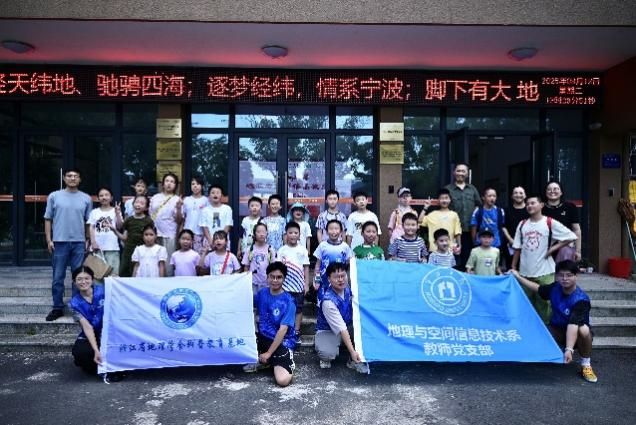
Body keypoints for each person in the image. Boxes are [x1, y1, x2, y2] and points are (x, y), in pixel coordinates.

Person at [512, 260, 597, 383]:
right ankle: (547, 354)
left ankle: (586, 365)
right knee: (535, 329)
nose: (564, 279)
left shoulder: (581, 300)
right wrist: (518, 277)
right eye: (561, 275)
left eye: (569, 275)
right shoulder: (555, 288)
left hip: (576, 336)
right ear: (556, 276)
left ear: (576, 276)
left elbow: (573, 325)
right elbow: (538, 288)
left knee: (584, 330)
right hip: (556, 330)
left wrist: (569, 349)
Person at [512, 194, 577, 323]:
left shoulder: (549, 222)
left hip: (545, 272)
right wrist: (513, 266)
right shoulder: (522, 224)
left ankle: (546, 331)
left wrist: (553, 249)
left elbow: (571, 236)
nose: (529, 206)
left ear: (541, 205)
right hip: (525, 272)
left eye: (533, 203)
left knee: (545, 307)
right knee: (524, 305)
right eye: (527, 204)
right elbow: (517, 247)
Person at [44, 168, 92, 322]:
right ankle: (57, 307)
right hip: (59, 242)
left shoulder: (86, 198)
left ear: (80, 179)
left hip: (79, 242)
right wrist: (49, 239)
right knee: (58, 277)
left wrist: (88, 239)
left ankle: (77, 308)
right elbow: (48, 219)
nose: (72, 178)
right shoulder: (54, 196)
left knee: (78, 277)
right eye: (69, 176)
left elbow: (88, 222)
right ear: (64, 178)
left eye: (75, 176)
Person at [244, 262, 296, 387]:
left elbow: (283, 331)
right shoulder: (262, 293)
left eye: (279, 277)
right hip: (262, 337)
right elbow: (246, 303)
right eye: (272, 277)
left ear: (284, 279)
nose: (275, 280)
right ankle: (267, 361)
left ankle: (273, 359)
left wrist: (269, 353)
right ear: (267, 277)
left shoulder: (289, 302)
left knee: (282, 380)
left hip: (281, 342)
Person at [69, 266, 124, 382]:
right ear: (74, 282)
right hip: (92, 334)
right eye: (79, 279)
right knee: (81, 353)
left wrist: (117, 280)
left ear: (92, 279)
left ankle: (115, 368)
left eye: (86, 278)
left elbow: (121, 294)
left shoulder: (104, 291)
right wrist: (96, 350)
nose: (83, 282)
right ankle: (99, 368)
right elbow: (87, 327)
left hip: (111, 332)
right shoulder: (73, 304)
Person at [315, 262, 369, 373]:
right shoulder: (328, 301)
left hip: (348, 325)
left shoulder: (349, 288)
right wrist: (352, 352)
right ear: (329, 279)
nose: (341, 280)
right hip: (328, 330)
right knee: (327, 354)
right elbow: (342, 328)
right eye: (336, 277)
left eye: (343, 276)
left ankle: (351, 358)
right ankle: (321, 343)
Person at [276, 222, 310, 341]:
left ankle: (296, 331)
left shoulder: (302, 250)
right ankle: (284, 331)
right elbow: (278, 269)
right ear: (286, 234)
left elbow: (306, 267)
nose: (293, 235)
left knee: (298, 309)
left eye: (296, 233)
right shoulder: (282, 250)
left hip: (298, 286)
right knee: (284, 308)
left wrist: (306, 284)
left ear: (299, 235)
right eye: (290, 233)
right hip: (284, 286)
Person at [444, 163, 481, 270]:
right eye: (458, 171)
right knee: (453, 258)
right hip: (452, 230)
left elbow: (479, 205)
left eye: (463, 171)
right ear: (454, 172)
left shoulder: (472, 189)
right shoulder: (448, 189)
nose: (460, 173)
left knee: (468, 258)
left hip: (470, 230)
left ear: (467, 174)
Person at [111, 194, 154, 277]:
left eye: (142, 203)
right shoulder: (129, 220)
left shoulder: (148, 221)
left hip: (142, 252)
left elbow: (151, 239)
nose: (138, 205)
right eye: (136, 202)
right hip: (128, 251)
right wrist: (114, 230)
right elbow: (124, 237)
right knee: (125, 273)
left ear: (146, 208)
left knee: (140, 273)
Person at [149, 173, 181, 276]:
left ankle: (168, 283)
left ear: (175, 185)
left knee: (168, 263)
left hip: (170, 234)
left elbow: (179, 221)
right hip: (154, 234)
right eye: (167, 181)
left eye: (172, 182)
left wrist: (179, 208)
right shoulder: (155, 198)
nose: (169, 184)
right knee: (154, 261)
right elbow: (150, 216)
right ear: (163, 184)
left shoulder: (177, 199)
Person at [313, 220, 353, 300]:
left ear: (341, 231)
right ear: (326, 231)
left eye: (336, 229)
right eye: (331, 229)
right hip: (324, 282)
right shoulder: (322, 246)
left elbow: (349, 265)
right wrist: (316, 281)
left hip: (340, 281)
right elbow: (317, 266)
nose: (334, 231)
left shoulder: (345, 247)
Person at [543, 181, 582, 262]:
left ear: (561, 192)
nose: (552, 191)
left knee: (564, 269)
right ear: (546, 193)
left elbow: (576, 229)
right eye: (549, 189)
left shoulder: (570, 207)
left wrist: (578, 251)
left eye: (555, 189)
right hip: (544, 247)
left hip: (565, 247)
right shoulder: (540, 207)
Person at [87, 187, 123, 278]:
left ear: (111, 198)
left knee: (113, 276)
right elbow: (91, 227)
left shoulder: (115, 211)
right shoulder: (94, 212)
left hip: (112, 247)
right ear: (98, 198)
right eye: (101, 195)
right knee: (97, 276)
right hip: (97, 248)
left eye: (106, 195)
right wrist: (93, 242)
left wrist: (118, 214)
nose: (104, 197)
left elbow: (119, 226)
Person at [419, 188, 462, 258]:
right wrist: (425, 207)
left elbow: (457, 232)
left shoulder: (454, 215)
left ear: (450, 200)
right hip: (434, 250)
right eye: (442, 198)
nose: (444, 200)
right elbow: (420, 221)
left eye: (446, 198)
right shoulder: (432, 214)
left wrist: (459, 246)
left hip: (449, 250)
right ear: (438, 200)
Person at [242, 222, 276, 294]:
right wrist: (246, 282)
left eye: (263, 232)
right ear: (254, 234)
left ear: (267, 233)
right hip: (253, 283)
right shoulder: (249, 250)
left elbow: (273, 267)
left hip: (267, 283)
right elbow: (246, 267)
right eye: (258, 232)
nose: (261, 234)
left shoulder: (270, 250)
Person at [180, 176, 210, 254]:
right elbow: (183, 218)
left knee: (198, 256)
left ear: (202, 186)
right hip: (187, 232)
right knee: (186, 255)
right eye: (193, 184)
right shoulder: (186, 200)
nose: (195, 186)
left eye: (198, 184)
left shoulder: (206, 200)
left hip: (200, 233)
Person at [503, 186, 529, 270]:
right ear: (512, 196)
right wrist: (510, 240)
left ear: (525, 195)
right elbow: (503, 227)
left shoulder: (530, 209)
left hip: (528, 244)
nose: (518, 195)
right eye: (515, 193)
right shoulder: (506, 210)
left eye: (521, 193)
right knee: (511, 268)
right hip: (511, 244)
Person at [199, 184, 233, 251]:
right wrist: (211, 242)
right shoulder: (205, 210)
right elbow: (204, 227)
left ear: (221, 195)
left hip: (223, 241)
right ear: (209, 196)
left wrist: (221, 240)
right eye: (213, 193)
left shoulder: (227, 209)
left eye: (218, 193)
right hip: (209, 241)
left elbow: (228, 225)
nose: (215, 194)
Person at [238, 196, 263, 261]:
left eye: (257, 206)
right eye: (252, 206)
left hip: (257, 251)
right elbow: (241, 236)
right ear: (249, 208)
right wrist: (239, 250)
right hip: (245, 250)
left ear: (260, 208)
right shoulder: (245, 220)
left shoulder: (262, 221)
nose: (254, 208)